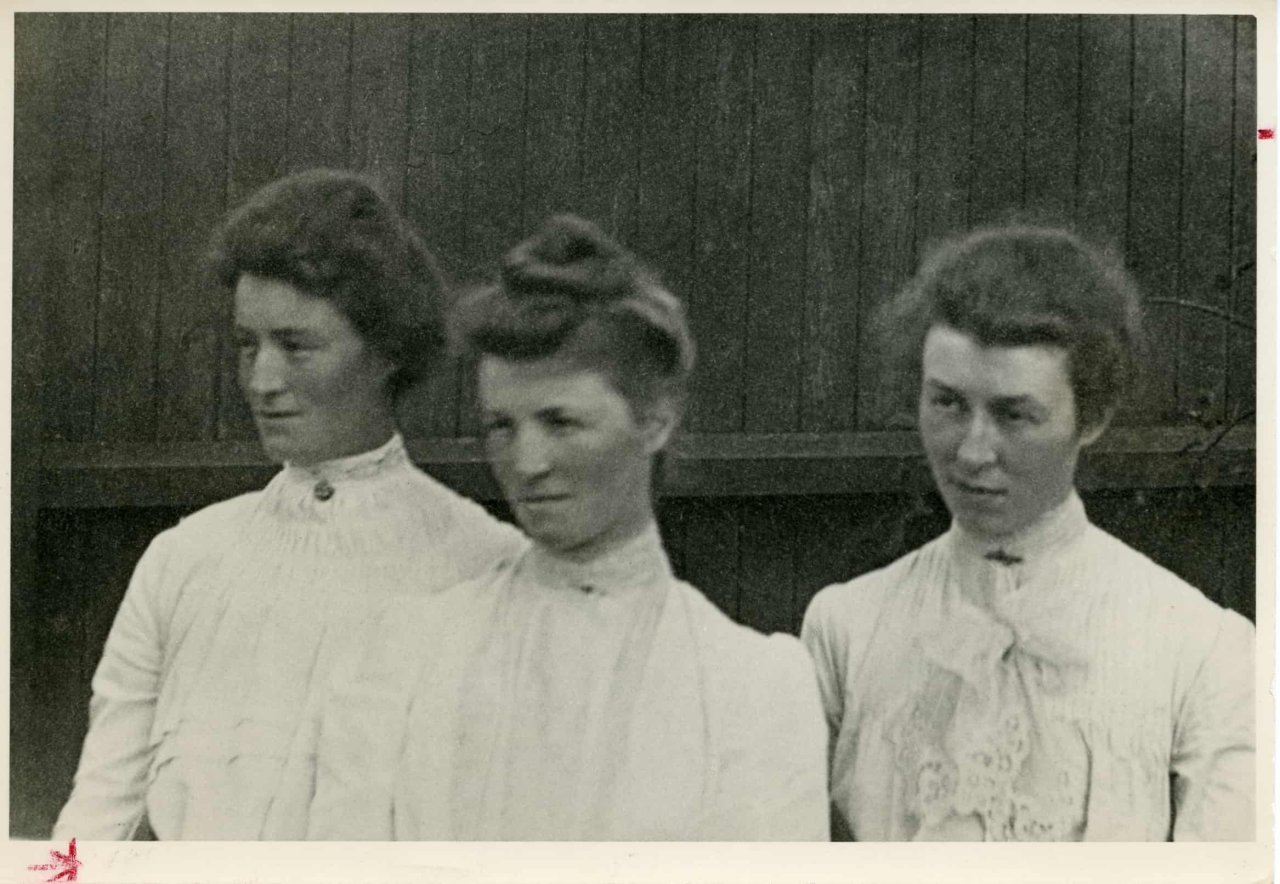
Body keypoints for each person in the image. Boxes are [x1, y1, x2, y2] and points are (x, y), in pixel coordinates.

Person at [304, 215, 829, 840]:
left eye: (561, 422)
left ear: (656, 419)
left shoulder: (753, 686)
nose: (526, 464)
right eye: (502, 426)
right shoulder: (403, 652)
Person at [53, 169, 526, 840]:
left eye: (296, 346)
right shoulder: (184, 560)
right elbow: (89, 824)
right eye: (248, 345)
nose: (262, 381)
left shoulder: (486, 568)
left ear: (386, 349)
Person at [801, 225, 1255, 842]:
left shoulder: (1203, 652)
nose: (972, 451)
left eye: (1014, 414)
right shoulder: (845, 631)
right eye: (947, 404)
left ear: (1091, 417)